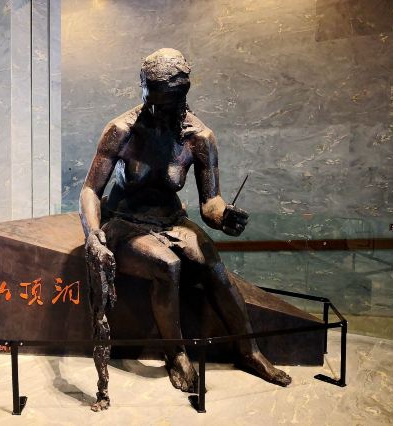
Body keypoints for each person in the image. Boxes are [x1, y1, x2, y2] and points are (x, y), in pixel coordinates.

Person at [80, 48, 291, 411]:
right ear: (143, 89)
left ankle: (249, 350)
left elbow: (210, 203)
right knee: (169, 266)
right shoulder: (121, 131)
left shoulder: (199, 137)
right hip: (126, 222)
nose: (161, 110)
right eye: (155, 99)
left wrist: (224, 217)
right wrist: (93, 232)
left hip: (173, 220)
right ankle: (175, 352)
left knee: (214, 267)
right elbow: (90, 190)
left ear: (183, 96)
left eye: (170, 102)